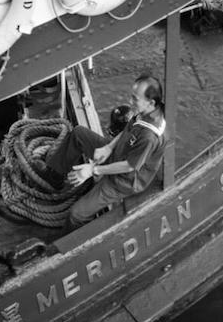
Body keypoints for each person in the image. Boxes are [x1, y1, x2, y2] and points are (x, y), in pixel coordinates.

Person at [44, 74, 166, 231]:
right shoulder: (146, 110)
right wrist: (108, 148)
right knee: (79, 134)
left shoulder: (149, 136)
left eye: (135, 99)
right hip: (118, 153)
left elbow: (129, 166)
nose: (130, 102)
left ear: (151, 102)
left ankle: (71, 240)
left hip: (124, 179)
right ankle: (53, 180)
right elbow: (130, 126)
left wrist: (93, 170)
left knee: (76, 214)